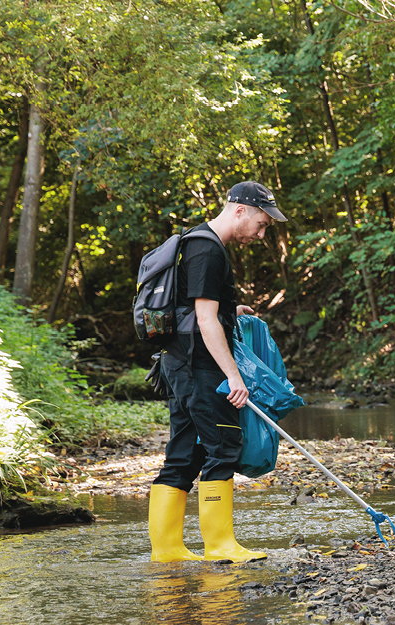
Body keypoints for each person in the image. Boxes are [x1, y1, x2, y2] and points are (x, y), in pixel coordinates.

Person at [148, 181, 287, 563]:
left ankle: (168, 551)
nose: (260, 234)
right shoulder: (208, 250)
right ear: (240, 210)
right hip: (201, 368)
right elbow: (205, 321)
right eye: (261, 223)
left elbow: (197, 308)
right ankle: (220, 546)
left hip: (181, 363)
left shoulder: (197, 242)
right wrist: (235, 376)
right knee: (223, 447)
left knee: (183, 455)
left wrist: (232, 311)